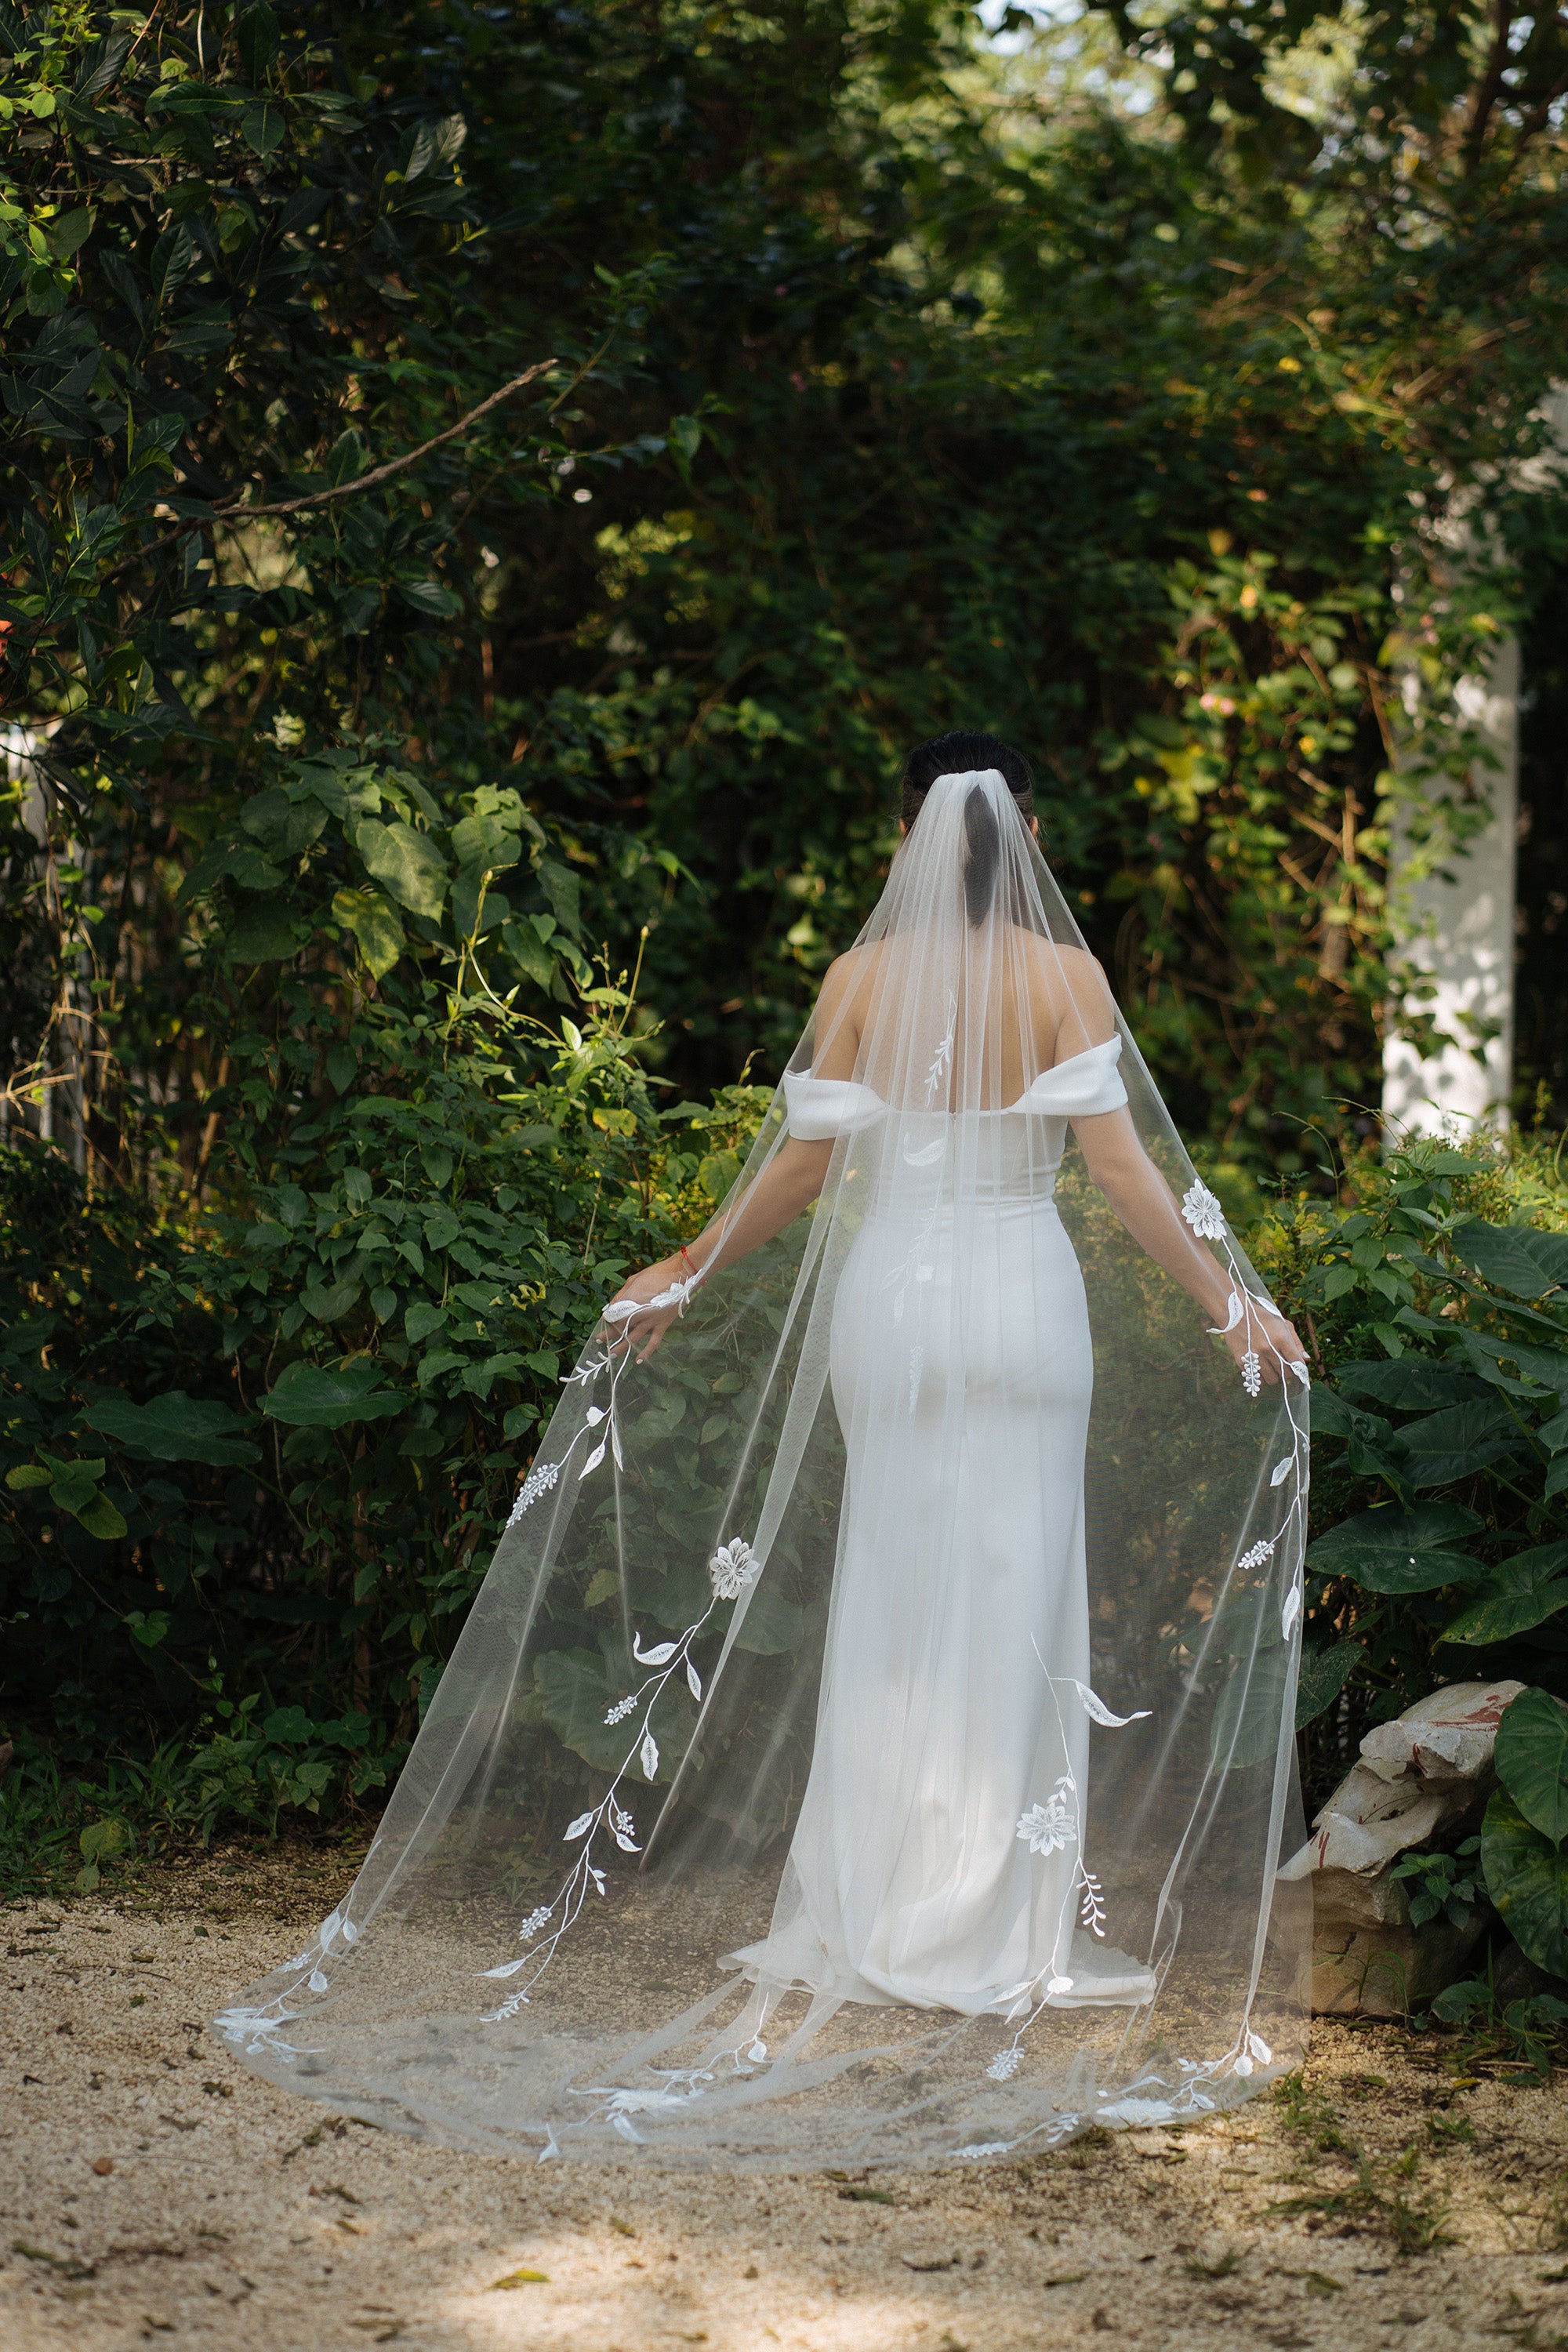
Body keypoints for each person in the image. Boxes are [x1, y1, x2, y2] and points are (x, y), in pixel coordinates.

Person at [217, 734, 1311, 2166]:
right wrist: (1234, 1304)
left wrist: (682, 1265)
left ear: (907, 843)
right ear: (1025, 835)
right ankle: (992, 1917)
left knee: (893, 1590)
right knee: (1013, 1581)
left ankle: (871, 1909)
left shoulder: (859, 984)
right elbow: (1119, 1172)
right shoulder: (1066, 980)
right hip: (1022, 1307)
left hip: (893, 1295)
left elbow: (798, 1171)